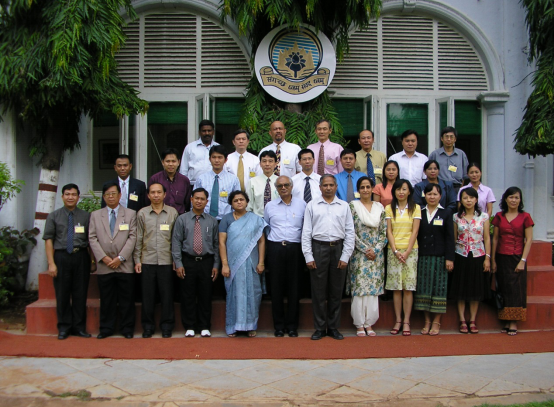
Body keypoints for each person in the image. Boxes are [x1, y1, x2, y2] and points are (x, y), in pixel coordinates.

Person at [302, 174, 355, 340]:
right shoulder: (312, 205)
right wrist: (308, 256)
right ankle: (319, 328)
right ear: (320, 187)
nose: (328, 188)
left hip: (338, 249)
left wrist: (345, 256)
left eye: (331, 185)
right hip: (318, 248)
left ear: (336, 187)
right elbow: (306, 232)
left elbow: (350, 232)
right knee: (318, 292)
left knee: (336, 291)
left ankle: (333, 327)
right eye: (325, 185)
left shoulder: (344, 206)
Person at [43, 184, 94, 340]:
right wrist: (51, 263)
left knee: (80, 293)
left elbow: (91, 240)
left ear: (78, 197)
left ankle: (79, 327)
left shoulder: (86, 216)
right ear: (62, 196)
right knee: (62, 294)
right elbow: (48, 240)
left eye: (73, 194)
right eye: (67, 194)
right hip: (61, 256)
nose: (70, 197)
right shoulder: (53, 216)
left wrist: (92, 261)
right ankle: (64, 328)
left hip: (81, 257)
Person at [89, 182, 137, 339]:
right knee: (107, 299)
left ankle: (127, 328)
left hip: (124, 264)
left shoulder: (130, 214)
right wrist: (103, 257)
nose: (111, 197)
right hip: (105, 265)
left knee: (126, 299)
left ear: (120, 195)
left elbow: (133, 237)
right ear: (103, 197)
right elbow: (92, 238)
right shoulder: (96, 215)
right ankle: (106, 329)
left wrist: (120, 258)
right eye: (107, 194)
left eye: (113, 194)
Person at [172, 188, 220, 338]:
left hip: (206, 261)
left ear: (207, 201)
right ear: (191, 199)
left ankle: (204, 326)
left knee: (206, 294)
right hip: (188, 261)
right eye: (196, 198)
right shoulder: (182, 219)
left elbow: (216, 244)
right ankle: (190, 326)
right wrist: (178, 263)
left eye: (202, 199)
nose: (199, 201)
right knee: (188, 295)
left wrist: (216, 265)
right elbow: (176, 242)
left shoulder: (212, 221)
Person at [133, 183, 179, 338]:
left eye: (159, 192)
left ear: (165, 194)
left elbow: (176, 239)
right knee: (148, 296)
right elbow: (139, 237)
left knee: (167, 296)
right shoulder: (142, 213)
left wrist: (176, 259)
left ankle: (167, 326)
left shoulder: (172, 213)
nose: (156, 195)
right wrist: (137, 259)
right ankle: (148, 327)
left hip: (167, 260)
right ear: (148, 195)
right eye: (153, 192)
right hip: (147, 260)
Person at [219, 191, 267, 337]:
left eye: (241, 200)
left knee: (252, 293)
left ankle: (250, 326)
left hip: (252, 264)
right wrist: (225, 264)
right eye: (235, 200)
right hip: (233, 265)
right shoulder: (226, 219)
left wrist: (261, 262)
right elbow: (221, 242)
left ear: (247, 202)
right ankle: (233, 326)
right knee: (235, 293)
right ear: (231, 204)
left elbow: (261, 241)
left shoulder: (255, 219)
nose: (239, 202)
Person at [264, 176, 306, 337]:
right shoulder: (270, 206)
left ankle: (293, 326)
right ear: (276, 188)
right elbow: (267, 227)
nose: (283, 188)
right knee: (276, 288)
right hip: (275, 248)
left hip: (295, 248)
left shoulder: (302, 204)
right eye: (280, 185)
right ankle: (279, 326)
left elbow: (305, 227)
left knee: (294, 288)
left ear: (291, 186)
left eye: (286, 185)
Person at [346, 176, 387, 337]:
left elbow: (384, 232)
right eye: (362, 187)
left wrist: (375, 250)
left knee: (372, 290)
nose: (365, 190)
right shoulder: (353, 206)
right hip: (359, 254)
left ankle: (369, 323)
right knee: (360, 289)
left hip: (376, 255)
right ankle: (359, 323)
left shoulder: (379, 207)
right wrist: (365, 249)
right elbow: (350, 231)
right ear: (358, 190)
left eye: (368, 187)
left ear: (372, 189)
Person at [491, 187, 534, 336]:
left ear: (520, 200)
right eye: (511, 197)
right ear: (505, 199)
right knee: (503, 287)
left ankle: (513, 322)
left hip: (517, 257)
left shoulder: (525, 217)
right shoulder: (499, 216)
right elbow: (495, 239)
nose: (513, 200)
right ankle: (506, 319)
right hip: (501, 256)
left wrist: (523, 260)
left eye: (516, 197)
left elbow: (529, 240)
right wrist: (493, 259)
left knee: (516, 289)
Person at [414, 183, 455, 336]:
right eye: (429, 194)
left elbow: (450, 238)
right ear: (424, 196)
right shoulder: (419, 212)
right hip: (423, 257)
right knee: (423, 288)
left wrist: (449, 258)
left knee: (439, 289)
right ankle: (426, 321)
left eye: (435, 194)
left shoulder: (446, 213)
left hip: (440, 257)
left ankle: (436, 321)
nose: (432, 197)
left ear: (440, 196)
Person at [450, 187, 491, 334]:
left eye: (471, 198)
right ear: (461, 200)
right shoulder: (456, 217)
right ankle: (462, 320)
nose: (468, 201)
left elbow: (487, 238)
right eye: (465, 198)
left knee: (475, 289)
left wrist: (487, 258)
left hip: (478, 255)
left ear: (476, 200)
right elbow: (454, 238)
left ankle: (472, 320)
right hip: (460, 255)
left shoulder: (484, 217)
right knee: (461, 288)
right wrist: (452, 258)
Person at [385, 179, 421, 336]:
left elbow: (415, 231)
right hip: (393, 251)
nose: (401, 192)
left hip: (410, 252)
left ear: (409, 191)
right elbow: (389, 231)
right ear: (394, 191)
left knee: (408, 288)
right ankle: (398, 320)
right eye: (398, 189)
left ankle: (406, 321)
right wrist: (395, 251)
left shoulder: (416, 208)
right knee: (396, 288)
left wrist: (407, 252)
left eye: (404, 189)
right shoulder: (388, 208)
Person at [195, 145, 241, 220]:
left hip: (226, 219)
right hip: (204, 219)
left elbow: (237, 201)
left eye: (220, 157)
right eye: (214, 157)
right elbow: (195, 201)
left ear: (225, 160)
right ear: (209, 159)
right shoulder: (201, 179)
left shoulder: (233, 180)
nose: (216, 160)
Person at [149, 147, 191, 215]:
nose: (170, 164)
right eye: (168, 161)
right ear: (163, 162)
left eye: (173, 161)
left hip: (179, 218)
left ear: (178, 162)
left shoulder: (184, 181)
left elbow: (187, 203)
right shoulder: (155, 179)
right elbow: (148, 201)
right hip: (159, 216)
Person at [428, 126, 469, 192]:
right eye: (446, 137)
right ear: (442, 138)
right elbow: (428, 172)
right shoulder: (435, 154)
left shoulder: (461, 154)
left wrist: (461, 189)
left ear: (455, 139)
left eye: (451, 137)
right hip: (439, 187)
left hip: (457, 187)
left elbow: (465, 175)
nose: (449, 139)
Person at [180, 119, 219, 186]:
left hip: (213, 185)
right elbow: (183, 170)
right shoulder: (190, 147)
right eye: (204, 131)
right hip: (193, 185)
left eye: (209, 131)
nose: (207, 133)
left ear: (213, 132)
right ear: (199, 132)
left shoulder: (218, 148)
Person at [248, 150, 279, 216]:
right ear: (260, 164)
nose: (267, 164)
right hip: (258, 218)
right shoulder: (252, 182)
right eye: (264, 161)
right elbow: (249, 205)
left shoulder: (280, 182)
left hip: (276, 218)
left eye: (270, 161)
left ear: (275, 164)